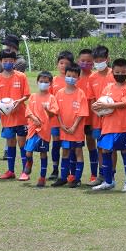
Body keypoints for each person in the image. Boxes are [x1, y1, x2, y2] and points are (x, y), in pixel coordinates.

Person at [91, 58, 126, 192]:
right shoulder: (108, 88)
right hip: (108, 126)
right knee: (106, 151)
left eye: (123, 72)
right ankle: (109, 181)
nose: (120, 74)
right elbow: (101, 106)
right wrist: (97, 107)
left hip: (124, 127)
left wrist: (108, 105)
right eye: (117, 72)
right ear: (113, 73)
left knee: (125, 152)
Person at [0, 49, 31, 179]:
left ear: (14, 62)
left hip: (21, 117)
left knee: (22, 144)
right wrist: (1, 106)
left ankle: (25, 171)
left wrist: (19, 102)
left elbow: (26, 95)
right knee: (10, 144)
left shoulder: (21, 76)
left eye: (10, 61)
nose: (8, 63)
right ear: (1, 62)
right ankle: (10, 171)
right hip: (7, 119)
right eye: (5, 61)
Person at [54, 64, 90, 188]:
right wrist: (61, 125)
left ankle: (76, 178)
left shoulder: (80, 94)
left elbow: (82, 113)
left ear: (78, 78)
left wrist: (74, 126)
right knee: (65, 152)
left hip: (77, 130)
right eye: (68, 75)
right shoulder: (59, 93)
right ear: (65, 76)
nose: (71, 78)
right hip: (64, 130)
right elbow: (56, 111)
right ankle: (63, 177)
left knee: (78, 152)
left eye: (74, 76)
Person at [24, 71, 59, 186]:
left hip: (44, 131)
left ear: (50, 84)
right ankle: (29, 162)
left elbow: (53, 114)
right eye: (41, 81)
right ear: (37, 82)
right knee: (28, 152)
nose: (43, 83)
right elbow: (28, 111)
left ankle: (42, 177)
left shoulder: (52, 98)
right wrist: (34, 119)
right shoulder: (33, 96)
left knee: (43, 153)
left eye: (46, 82)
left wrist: (47, 110)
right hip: (33, 129)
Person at [87, 45, 115, 186]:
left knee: (111, 147)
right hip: (97, 118)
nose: (99, 63)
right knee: (100, 146)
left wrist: (110, 108)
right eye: (96, 60)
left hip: (112, 118)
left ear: (108, 59)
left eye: (101, 60)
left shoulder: (114, 74)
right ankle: (102, 175)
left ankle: (112, 175)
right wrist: (96, 109)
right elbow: (92, 98)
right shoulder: (92, 77)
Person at [48, 51, 74, 180]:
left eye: (66, 64)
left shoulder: (72, 80)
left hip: (68, 119)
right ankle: (54, 168)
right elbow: (49, 98)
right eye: (61, 63)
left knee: (68, 145)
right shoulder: (53, 80)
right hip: (55, 119)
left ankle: (68, 170)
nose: (63, 66)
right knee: (56, 143)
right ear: (57, 64)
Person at [77, 48, 98, 184]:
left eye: (89, 61)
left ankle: (94, 174)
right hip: (76, 120)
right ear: (78, 61)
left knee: (91, 145)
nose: (85, 63)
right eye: (83, 61)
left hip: (91, 119)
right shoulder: (74, 77)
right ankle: (74, 175)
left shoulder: (94, 77)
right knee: (76, 148)